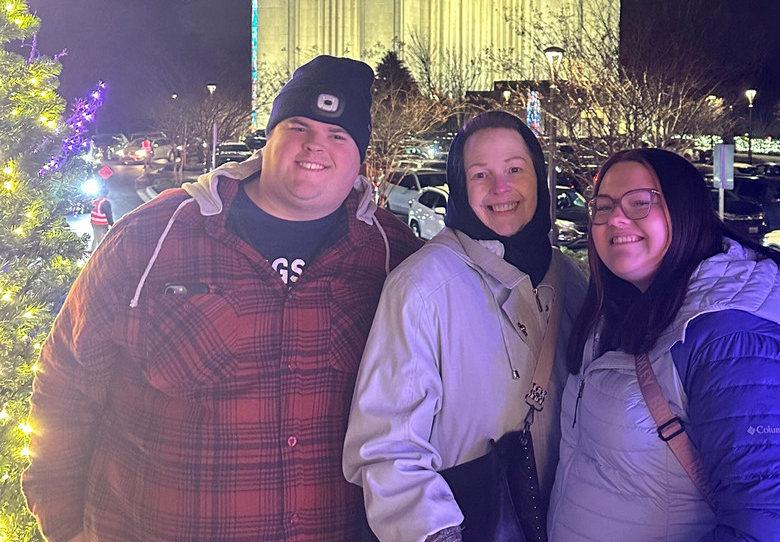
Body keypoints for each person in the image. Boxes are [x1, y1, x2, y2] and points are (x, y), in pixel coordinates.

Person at [23, 55, 423, 542]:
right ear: (270, 138)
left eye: (339, 135)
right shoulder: (155, 235)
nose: (316, 144)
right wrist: (64, 529)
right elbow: (67, 384)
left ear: (360, 156)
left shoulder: (391, 255)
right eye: (299, 126)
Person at [548, 148, 780, 542]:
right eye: (604, 205)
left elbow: (778, 527)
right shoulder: (621, 310)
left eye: (639, 203)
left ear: (685, 211)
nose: (615, 218)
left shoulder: (737, 343)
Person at [343, 111, 587, 542]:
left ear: (538, 176)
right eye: (480, 174)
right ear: (458, 185)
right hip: (475, 526)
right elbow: (386, 447)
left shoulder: (570, 280)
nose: (501, 188)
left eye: (515, 168)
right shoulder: (421, 286)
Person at [88, 185, 114, 251]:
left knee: (96, 237)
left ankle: (92, 250)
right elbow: (109, 215)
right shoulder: (105, 202)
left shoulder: (96, 200)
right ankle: (100, 255)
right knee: (101, 240)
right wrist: (113, 224)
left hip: (93, 222)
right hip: (101, 223)